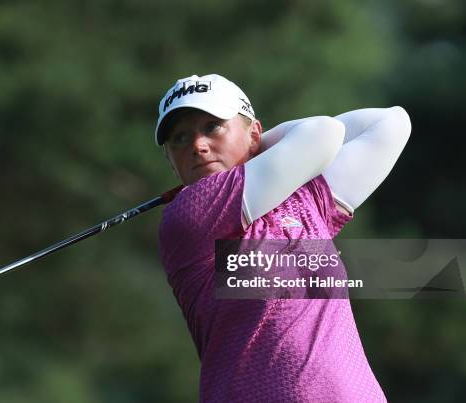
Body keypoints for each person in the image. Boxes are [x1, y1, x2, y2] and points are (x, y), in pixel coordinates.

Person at [155, 74, 411, 402]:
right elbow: (323, 134)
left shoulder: (306, 202)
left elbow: (391, 123)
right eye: (179, 138)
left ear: (254, 132)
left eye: (212, 126)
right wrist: (260, 148)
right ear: (171, 164)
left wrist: (259, 144)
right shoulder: (188, 215)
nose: (197, 145)